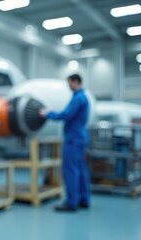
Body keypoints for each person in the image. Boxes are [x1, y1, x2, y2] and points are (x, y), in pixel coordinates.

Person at [39, 74, 90, 212]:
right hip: (80, 138)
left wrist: (47, 113)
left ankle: (71, 202)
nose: (68, 86)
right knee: (80, 169)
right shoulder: (82, 97)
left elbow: (65, 115)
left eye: (69, 83)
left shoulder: (78, 98)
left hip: (73, 139)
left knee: (70, 170)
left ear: (76, 82)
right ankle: (84, 199)